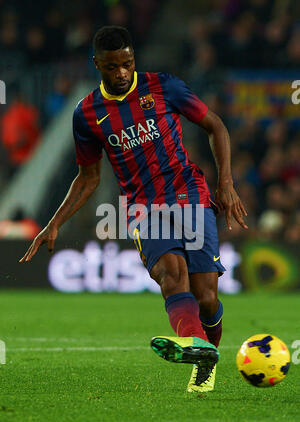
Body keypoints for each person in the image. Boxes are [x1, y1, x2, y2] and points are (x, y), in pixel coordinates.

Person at [19, 26, 248, 393]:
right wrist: (54, 223)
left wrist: (226, 183)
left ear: (133, 58)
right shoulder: (88, 114)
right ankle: (195, 346)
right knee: (170, 276)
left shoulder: (165, 87)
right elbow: (88, 178)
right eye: (112, 67)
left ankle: (205, 357)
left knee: (207, 298)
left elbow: (215, 126)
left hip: (188, 192)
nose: (122, 73)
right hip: (143, 207)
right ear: (97, 65)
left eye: (127, 63)